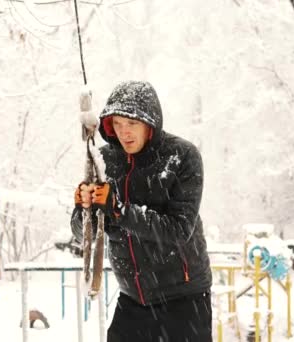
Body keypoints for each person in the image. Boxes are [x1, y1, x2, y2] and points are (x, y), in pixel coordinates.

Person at [71, 81, 212, 342]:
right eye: (117, 124)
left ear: (150, 123)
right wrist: (84, 208)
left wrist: (119, 210)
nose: (124, 133)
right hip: (133, 299)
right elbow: (83, 235)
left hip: (184, 298)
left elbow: (179, 229)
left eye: (132, 123)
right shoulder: (103, 160)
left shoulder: (181, 156)